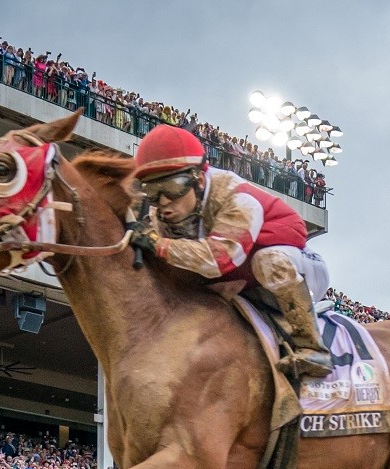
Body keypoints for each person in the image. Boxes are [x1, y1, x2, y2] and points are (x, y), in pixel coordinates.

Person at [129, 124, 331, 379]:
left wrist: (158, 244)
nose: (164, 203)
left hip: (293, 268)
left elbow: (218, 259)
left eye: (172, 188)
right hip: (241, 283)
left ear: (198, 179)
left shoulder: (237, 197)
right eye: (153, 193)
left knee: (268, 262)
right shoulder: (161, 213)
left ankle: (313, 348)